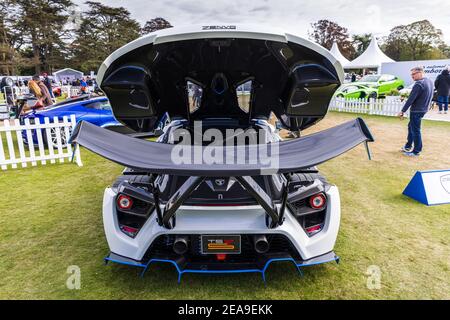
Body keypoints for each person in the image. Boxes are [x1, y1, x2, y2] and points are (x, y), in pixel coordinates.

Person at [397, 67, 433, 157]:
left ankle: (416, 151)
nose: (412, 76)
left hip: (417, 110)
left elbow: (411, 99)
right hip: (423, 109)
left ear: (420, 73)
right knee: (411, 127)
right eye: (411, 74)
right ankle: (408, 146)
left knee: (415, 130)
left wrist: (402, 111)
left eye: (414, 74)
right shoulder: (429, 81)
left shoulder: (418, 84)